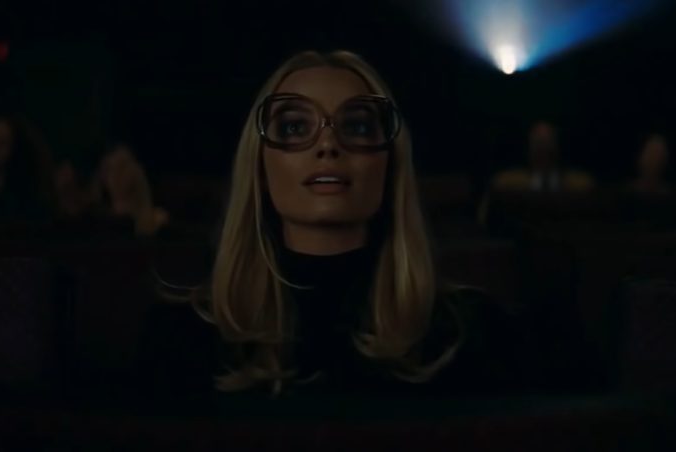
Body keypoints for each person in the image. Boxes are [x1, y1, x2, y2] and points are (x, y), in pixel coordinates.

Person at [139, 51, 534, 399]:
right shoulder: (185, 340)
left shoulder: (467, 334)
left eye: (357, 127)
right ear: (259, 167)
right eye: (294, 127)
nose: (327, 146)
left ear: (390, 165)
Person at [491, 121, 594, 193]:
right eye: (538, 143)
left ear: (557, 146)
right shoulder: (508, 184)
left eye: (548, 142)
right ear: (528, 148)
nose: (543, 148)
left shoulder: (580, 185)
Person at [93, 143, 170, 237]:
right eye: (110, 169)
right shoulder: (96, 221)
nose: (116, 175)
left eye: (123, 166)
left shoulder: (157, 220)